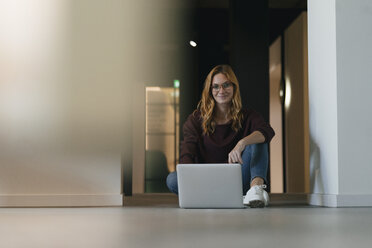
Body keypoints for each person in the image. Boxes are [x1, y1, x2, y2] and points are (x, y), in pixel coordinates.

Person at [166, 64, 275, 208]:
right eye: (216, 87)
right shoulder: (195, 120)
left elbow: (267, 131)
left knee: (258, 138)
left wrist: (242, 143)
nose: (221, 90)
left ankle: (256, 190)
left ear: (234, 87)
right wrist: (190, 177)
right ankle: (215, 197)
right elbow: (187, 155)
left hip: (239, 183)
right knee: (173, 179)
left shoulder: (248, 116)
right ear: (210, 91)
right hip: (206, 183)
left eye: (226, 85)